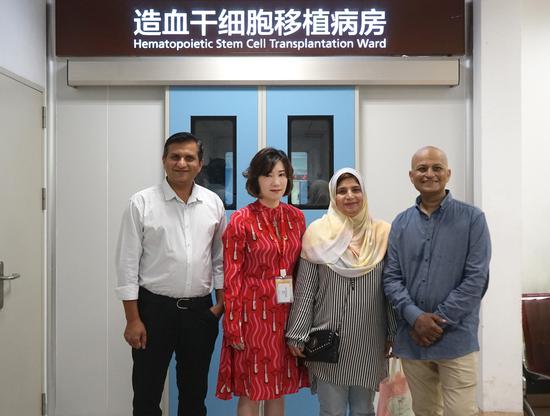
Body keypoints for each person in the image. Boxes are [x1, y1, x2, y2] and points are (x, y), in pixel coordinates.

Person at [115, 132, 226, 416]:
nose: (181, 163)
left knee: (193, 397)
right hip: (153, 311)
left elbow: (219, 259)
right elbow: (127, 263)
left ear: (200, 164)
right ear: (164, 160)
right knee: (146, 395)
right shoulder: (141, 203)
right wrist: (133, 319)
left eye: (189, 157)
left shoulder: (213, 203)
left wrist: (220, 306)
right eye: (175, 156)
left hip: (200, 313)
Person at [383, 146, 491, 416]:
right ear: (411, 176)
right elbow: (391, 278)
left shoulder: (473, 219)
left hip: (456, 339)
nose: (429, 174)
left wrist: (436, 322)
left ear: (448, 173)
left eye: (436, 168)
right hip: (412, 339)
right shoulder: (400, 224)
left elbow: (476, 279)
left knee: (460, 412)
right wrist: (416, 318)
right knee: (425, 411)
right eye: (422, 169)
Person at [286, 167, 396, 416]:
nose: (349, 196)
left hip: (370, 338)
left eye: (356, 190)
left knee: (363, 410)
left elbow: (390, 289)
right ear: (333, 197)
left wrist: (393, 331)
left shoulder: (382, 233)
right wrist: (297, 333)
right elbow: (305, 289)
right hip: (327, 336)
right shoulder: (317, 233)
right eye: (342, 191)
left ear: (364, 194)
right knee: (331, 411)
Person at [216, 147, 309, 416]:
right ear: (255, 179)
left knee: (276, 388)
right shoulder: (241, 220)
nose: (276, 182)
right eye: (268, 175)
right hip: (252, 314)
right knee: (252, 389)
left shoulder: (296, 217)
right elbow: (231, 274)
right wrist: (233, 323)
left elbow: (302, 269)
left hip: (286, 311)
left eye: (282, 175)